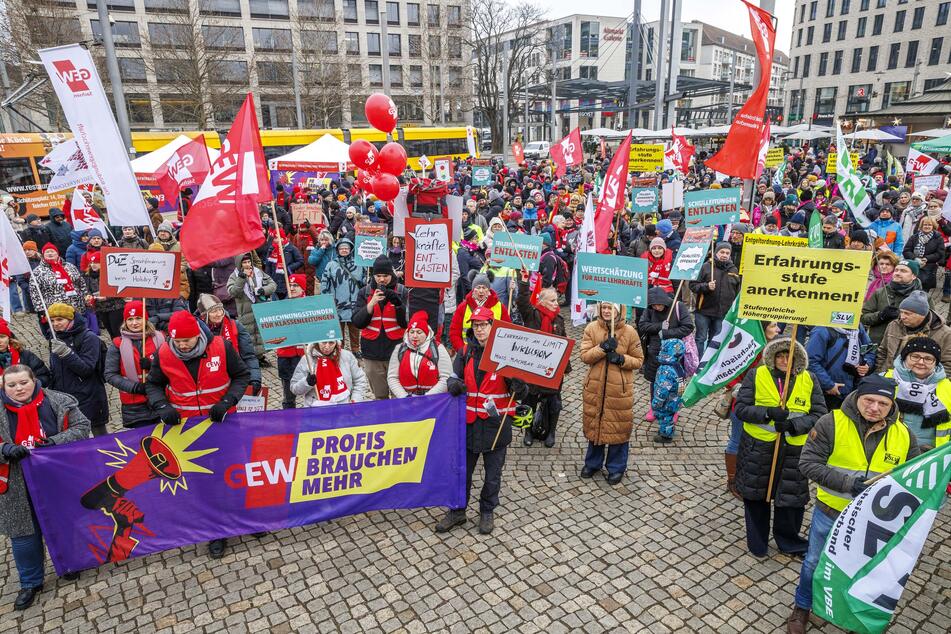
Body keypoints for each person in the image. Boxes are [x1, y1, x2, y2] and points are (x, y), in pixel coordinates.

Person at [786, 375, 919, 634]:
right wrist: (848, 484)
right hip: (831, 511)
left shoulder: (904, 435)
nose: (875, 408)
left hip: (874, 520)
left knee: (860, 567)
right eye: (869, 400)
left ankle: (847, 608)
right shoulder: (830, 423)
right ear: (858, 397)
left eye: (883, 403)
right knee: (814, 561)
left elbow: (911, 475)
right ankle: (802, 606)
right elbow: (808, 464)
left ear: (892, 405)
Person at [145, 310, 250, 559]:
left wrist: (227, 401)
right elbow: (153, 384)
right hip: (188, 431)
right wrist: (162, 406)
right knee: (204, 483)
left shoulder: (221, 347)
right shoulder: (164, 354)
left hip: (224, 423)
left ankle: (246, 520)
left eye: (187, 341)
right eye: (177, 341)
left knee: (235, 474)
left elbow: (241, 375)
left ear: (197, 335)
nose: (182, 345)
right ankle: (216, 531)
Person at [0, 365, 90, 610]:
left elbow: (82, 428)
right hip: (16, 483)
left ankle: (70, 563)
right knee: (24, 535)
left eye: (23, 383)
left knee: (64, 522)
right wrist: (5, 450)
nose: (18, 389)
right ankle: (30, 582)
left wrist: (54, 442)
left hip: (55, 477)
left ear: (34, 381)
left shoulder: (59, 401)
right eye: (12, 385)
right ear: (3, 387)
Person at [733, 337, 827, 559]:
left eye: (790, 356)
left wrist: (795, 425)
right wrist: (767, 413)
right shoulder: (757, 375)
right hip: (758, 448)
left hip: (794, 450)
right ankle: (758, 541)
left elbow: (819, 414)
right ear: (773, 358)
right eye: (781, 356)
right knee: (756, 497)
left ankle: (789, 542)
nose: (785, 360)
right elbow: (742, 409)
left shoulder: (809, 379)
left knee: (791, 499)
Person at [438, 307, 527, 534]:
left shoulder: (506, 354)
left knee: (492, 474)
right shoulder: (466, 352)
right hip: (468, 425)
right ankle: (457, 511)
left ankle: (487, 511)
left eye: (483, 325)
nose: (479, 329)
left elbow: (522, 390)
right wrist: (452, 385)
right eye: (476, 325)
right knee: (462, 473)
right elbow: (454, 377)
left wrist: (520, 387)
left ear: (492, 326)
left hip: (496, 426)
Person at [579, 302, 644, 484]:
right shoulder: (592, 328)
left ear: (619, 310)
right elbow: (584, 356)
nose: (606, 311)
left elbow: (639, 360)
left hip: (619, 391)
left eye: (610, 308)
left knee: (617, 428)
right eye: (604, 308)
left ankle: (616, 467)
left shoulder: (630, 332)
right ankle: (593, 463)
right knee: (596, 424)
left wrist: (621, 359)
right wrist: (602, 348)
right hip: (595, 387)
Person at [515, 274, 570, 447]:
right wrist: (523, 282)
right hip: (532, 367)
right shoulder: (532, 315)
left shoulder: (559, 320)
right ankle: (528, 431)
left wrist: (564, 366)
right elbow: (522, 301)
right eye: (553, 300)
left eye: (556, 300)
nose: (556, 303)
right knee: (529, 400)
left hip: (552, 369)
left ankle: (551, 432)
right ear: (542, 301)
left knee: (554, 402)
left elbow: (564, 342)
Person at [46, 302, 109, 436]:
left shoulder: (89, 337)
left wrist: (66, 353)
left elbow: (86, 369)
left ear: (71, 319)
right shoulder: (55, 337)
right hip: (65, 396)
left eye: (59, 319)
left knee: (100, 435)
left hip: (89, 395)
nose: (55, 324)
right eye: (52, 320)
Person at [351, 255, 409, 399]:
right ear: (373, 275)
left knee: (399, 396)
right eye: (378, 276)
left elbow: (406, 323)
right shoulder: (364, 292)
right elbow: (358, 322)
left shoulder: (402, 291)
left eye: (385, 276)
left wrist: (398, 305)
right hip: (372, 353)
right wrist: (371, 304)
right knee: (380, 397)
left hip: (397, 352)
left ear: (391, 274)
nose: (382, 279)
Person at [104, 301, 165, 428]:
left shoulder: (161, 339)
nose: (134, 323)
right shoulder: (117, 344)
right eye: (130, 319)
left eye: (138, 318)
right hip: (134, 406)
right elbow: (110, 375)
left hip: (161, 400)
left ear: (146, 319)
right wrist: (135, 387)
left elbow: (173, 365)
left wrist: (153, 365)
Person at [883, 336, 951, 450]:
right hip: (887, 449)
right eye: (915, 356)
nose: (921, 362)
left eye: (928, 359)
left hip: (929, 455)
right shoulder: (883, 380)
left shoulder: (947, 387)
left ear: (936, 363)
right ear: (904, 357)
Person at [639, 287, 694, 421]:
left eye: (658, 304)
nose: (656, 307)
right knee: (654, 381)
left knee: (674, 382)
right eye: (653, 305)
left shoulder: (678, 306)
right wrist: (659, 326)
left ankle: (673, 409)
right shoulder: (650, 309)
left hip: (674, 354)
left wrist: (667, 332)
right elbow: (642, 325)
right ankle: (654, 407)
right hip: (655, 351)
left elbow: (688, 327)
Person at [197, 293, 261, 397]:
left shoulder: (235, 325)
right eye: (213, 311)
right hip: (208, 384)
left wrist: (254, 378)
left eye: (220, 309)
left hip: (235, 379)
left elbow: (248, 356)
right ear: (204, 315)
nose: (219, 314)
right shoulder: (197, 332)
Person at [876, 289, 951, 374]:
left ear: (922, 314)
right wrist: (880, 373)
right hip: (888, 378)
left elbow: (948, 365)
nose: (902, 317)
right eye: (901, 312)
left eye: (907, 313)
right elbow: (882, 352)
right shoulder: (894, 325)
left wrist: (930, 383)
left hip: (922, 384)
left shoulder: (945, 334)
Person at [805, 325, 875, 411]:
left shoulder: (858, 328)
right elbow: (810, 361)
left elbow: (870, 349)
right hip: (828, 392)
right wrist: (828, 385)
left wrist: (867, 364)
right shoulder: (822, 330)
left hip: (852, 390)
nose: (861, 313)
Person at [689, 242, 741, 357]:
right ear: (716, 253)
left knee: (714, 341)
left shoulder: (734, 270)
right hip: (704, 311)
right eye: (722, 252)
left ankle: (707, 363)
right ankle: (697, 363)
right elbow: (693, 286)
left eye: (727, 253)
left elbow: (737, 292)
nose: (724, 255)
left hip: (722, 313)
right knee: (700, 338)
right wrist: (706, 286)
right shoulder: (706, 267)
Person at [387, 310, 451, 398]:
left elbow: (446, 377)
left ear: (426, 333)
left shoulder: (438, 349)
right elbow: (392, 377)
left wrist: (427, 397)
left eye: (419, 332)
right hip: (406, 400)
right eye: (412, 332)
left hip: (433, 400)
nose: (415, 336)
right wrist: (404, 397)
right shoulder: (399, 349)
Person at [860, 258, 926, 344]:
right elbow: (863, 318)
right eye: (896, 270)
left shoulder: (923, 298)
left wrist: (907, 318)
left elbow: (928, 324)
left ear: (913, 276)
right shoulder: (880, 292)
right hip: (879, 343)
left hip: (907, 346)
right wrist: (880, 316)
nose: (898, 273)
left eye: (903, 271)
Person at [227, 253, 277, 365]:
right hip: (245, 310)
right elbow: (233, 292)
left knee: (259, 333)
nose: (247, 264)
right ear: (239, 264)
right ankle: (251, 357)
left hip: (259, 307)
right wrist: (242, 278)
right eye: (244, 262)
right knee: (248, 334)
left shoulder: (258, 272)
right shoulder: (234, 276)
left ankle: (260, 356)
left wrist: (263, 290)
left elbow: (272, 284)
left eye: (249, 262)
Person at [290, 340, 369, 407]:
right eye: (324, 342)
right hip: (315, 408)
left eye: (331, 343)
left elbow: (359, 380)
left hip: (343, 407)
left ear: (336, 342)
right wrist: (306, 382)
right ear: (317, 342)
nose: (327, 347)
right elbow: (294, 389)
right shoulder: (307, 359)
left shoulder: (346, 356)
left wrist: (355, 401)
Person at [28, 244, 88, 330]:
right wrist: (41, 309)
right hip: (55, 308)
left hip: (75, 305)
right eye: (47, 252)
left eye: (52, 251)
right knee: (61, 331)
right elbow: (34, 292)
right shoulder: (38, 271)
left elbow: (81, 282)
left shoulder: (69, 266)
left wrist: (85, 297)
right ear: (43, 255)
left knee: (77, 328)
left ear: (57, 253)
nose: (50, 254)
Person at [320, 239, 364, 355]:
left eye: (346, 248)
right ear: (338, 250)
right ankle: (340, 349)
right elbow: (324, 283)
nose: (344, 250)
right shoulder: (331, 265)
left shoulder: (358, 264)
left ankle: (355, 349)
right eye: (341, 248)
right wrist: (325, 299)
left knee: (354, 328)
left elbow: (364, 280)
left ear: (350, 249)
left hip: (354, 302)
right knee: (338, 329)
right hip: (337, 302)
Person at [449, 272, 511, 351]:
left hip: (492, 352)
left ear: (488, 290)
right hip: (469, 353)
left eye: (484, 287)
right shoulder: (463, 307)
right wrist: (463, 351)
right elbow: (454, 332)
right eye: (478, 287)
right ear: (473, 289)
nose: (481, 291)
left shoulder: (499, 306)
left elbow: (507, 331)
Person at [275, 274, 308, 409]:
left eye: (296, 285)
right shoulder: (281, 306)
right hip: (285, 355)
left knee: (311, 391)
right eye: (291, 285)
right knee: (288, 397)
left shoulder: (310, 306)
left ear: (303, 289)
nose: (292, 288)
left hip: (304, 356)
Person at [82, 251, 125, 338]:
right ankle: (116, 348)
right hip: (100, 308)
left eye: (97, 262)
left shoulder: (112, 274)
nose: (93, 265)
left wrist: (106, 297)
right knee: (110, 331)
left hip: (115, 307)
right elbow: (87, 289)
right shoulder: (88, 276)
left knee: (117, 331)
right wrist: (89, 296)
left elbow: (120, 290)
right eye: (92, 262)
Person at [651, 339, 685, 444]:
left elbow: (663, 388)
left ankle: (665, 435)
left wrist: (656, 401)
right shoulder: (678, 366)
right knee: (669, 415)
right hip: (675, 398)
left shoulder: (666, 370)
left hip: (666, 400)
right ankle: (669, 430)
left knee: (664, 416)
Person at [0, 319, 51, 387]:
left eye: (2, 337)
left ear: (9, 338)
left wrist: (29, 384)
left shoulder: (24, 355)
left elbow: (44, 377)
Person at [902, 215, 945, 291]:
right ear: (921, 226)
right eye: (925, 224)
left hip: (929, 267)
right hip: (914, 265)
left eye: (929, 225)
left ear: (933, 226)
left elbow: (940, 253)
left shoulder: (938, 238)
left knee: (924, 291)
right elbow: (906, 251)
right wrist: (915, 258)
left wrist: (926, 258)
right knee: (911, 289)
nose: (927, 226)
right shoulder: (914, 237)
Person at [264, 230, 303, 299]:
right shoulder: (271, 249)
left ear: (283, 238)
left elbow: (300, 261)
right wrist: (268, 278)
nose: (276, 240)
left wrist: (289, 268)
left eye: (278, 238)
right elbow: (268, 265)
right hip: (275, 280)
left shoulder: (291, 248)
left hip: (288, 280)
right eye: (275, 238)